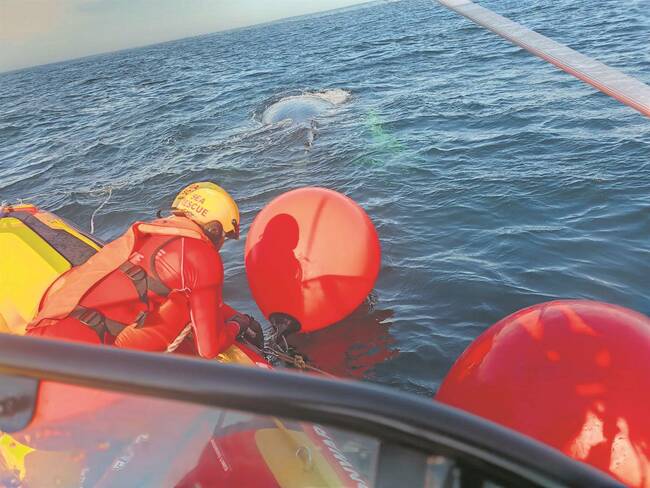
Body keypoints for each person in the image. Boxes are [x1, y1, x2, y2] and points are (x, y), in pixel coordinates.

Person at [27, 182, 263, 358]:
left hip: (42, 338)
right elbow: (208, 349)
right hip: (82, 361)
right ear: (213, 229)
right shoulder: (200, 255)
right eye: (225, 236)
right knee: (180, 306)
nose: (222, 244)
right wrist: (238, 325)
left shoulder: (151, 234)